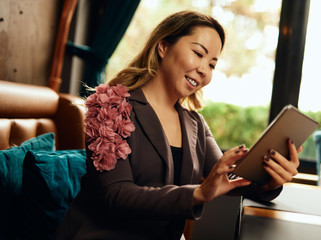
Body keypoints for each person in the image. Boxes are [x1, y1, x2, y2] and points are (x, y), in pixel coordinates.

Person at [55, 10, 301, 240]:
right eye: (198, 53)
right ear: (163, 46)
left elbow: (228, 179)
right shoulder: (109, 106)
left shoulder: (195, 123)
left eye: (213, 64)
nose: (204, 69)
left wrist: (270, 180)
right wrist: (198, 193)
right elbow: (115, 195)